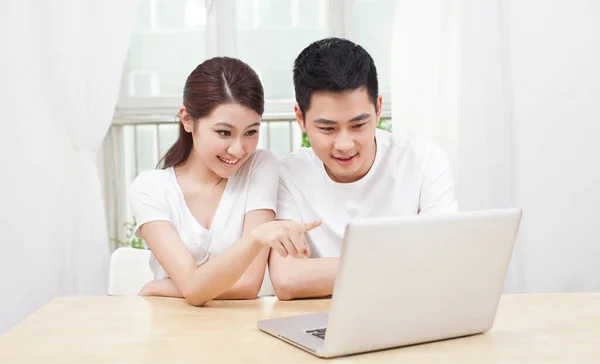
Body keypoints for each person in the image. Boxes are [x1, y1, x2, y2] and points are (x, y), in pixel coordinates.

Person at [268, 38, 459, 300]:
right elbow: (288, 280)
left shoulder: (424, 160)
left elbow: (444, 261)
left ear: (378, 109)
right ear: (300, 119)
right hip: (321, 321)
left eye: (358, 125)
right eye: (327, 129)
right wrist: (407, 261)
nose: (344, 145)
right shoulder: (287, 175)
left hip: (410, 312)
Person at [129, 57, 319, 306]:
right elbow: (195, 289)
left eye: (251, 132)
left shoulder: (259, 166)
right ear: (187, 119)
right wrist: (255, 238)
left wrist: (159, 287)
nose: (238, 150)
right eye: (223, 133)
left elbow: (248, 285)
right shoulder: (150, 189)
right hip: (170, 328)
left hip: (241, 328)